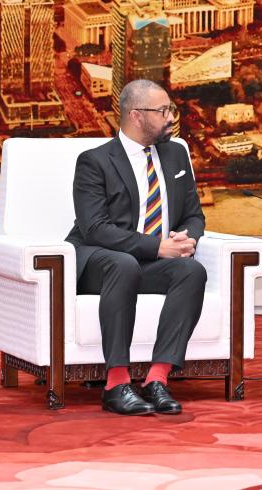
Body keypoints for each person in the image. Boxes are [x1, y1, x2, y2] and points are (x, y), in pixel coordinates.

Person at [66, 79, 206, 416]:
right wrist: (158, 247)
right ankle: (115, 385)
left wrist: (185, 239)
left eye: (171, 109)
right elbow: (95, 228)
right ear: (136, 116)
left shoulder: (176, 154)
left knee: (191, 271)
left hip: (149, 262)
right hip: (100, 261)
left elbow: (194, 215)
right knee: (123, 264)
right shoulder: (95, 161)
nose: (171, 117)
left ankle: (157, 380)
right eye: (163, 111)